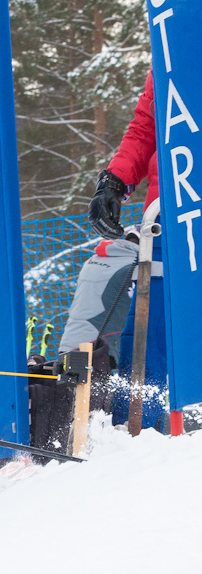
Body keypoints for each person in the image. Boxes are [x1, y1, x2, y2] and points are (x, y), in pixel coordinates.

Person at [88, 70, 168, 430]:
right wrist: (114, 181)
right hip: (168, 217)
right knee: (148, 339)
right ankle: (134, 437)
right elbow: (147, 125)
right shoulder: (172, 44)